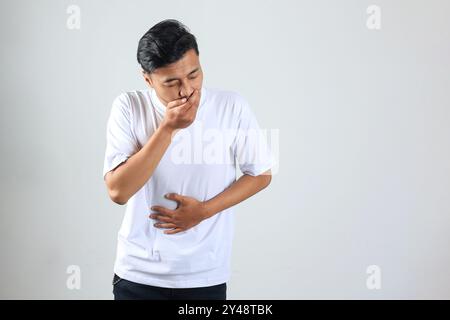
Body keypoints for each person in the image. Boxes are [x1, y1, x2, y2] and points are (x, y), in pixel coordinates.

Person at [103, 19, 274, 300]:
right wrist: (168, 128)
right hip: (138, 274)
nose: (186, 90)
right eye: (171, 82)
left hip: (204, 274)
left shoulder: (230, 106)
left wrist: (204, 211)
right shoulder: (129, 107)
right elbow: (118, 191)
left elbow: (261, 174)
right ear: (148, 79)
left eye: (194, 75)